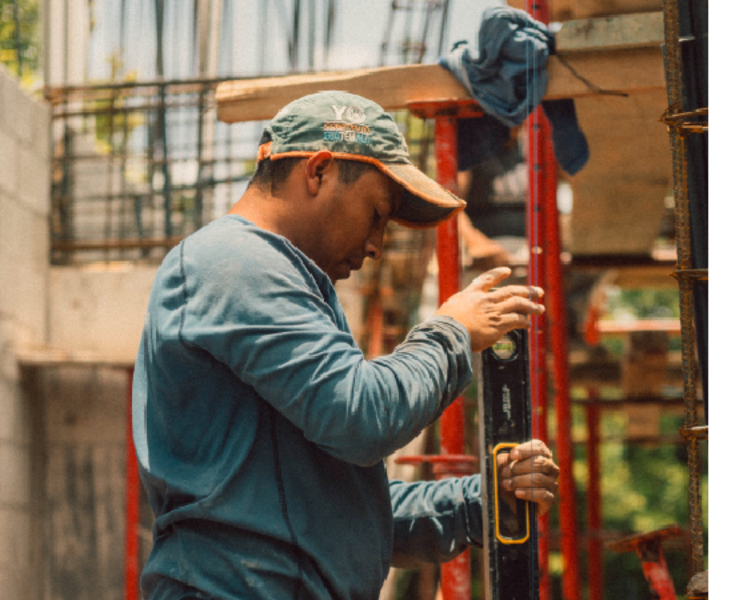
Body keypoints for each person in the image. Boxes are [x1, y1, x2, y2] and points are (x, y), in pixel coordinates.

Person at [132, 91, 559, 600]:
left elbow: (335, 512)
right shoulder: (236, 263)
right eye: (376, 213)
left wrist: (482, 500)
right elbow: (360, 417)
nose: (377, 245)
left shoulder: (287, 282)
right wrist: (452, 333)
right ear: (318, 172)